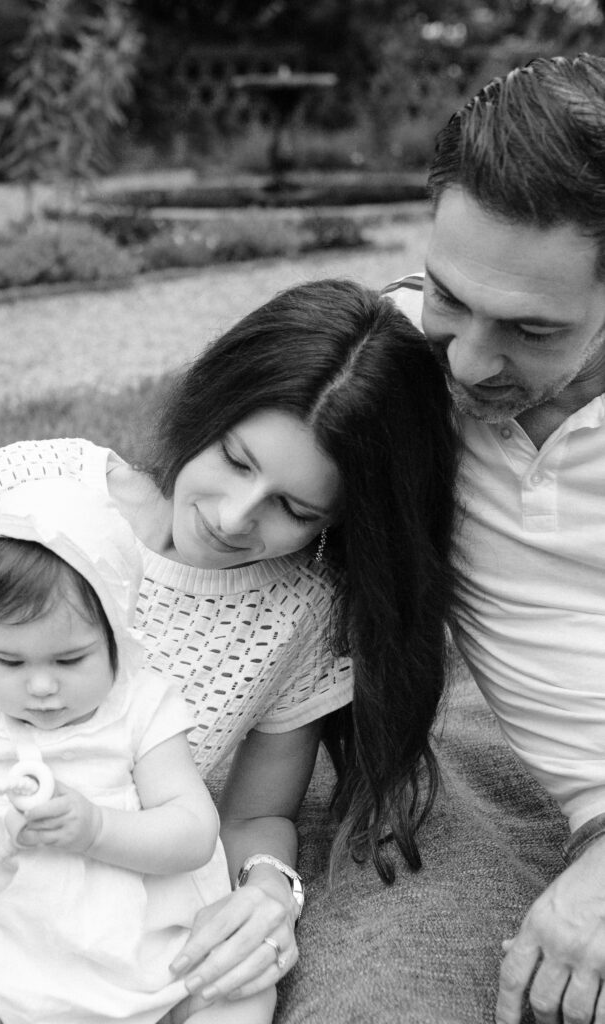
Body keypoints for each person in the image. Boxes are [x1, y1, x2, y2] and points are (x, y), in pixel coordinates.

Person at [0, 276, 460, 1020]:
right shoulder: (39, 489)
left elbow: (251, 819)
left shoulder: (299, 615)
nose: (234, 517)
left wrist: (270, 890)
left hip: (29, 907)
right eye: (236, 461)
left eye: (293, 509)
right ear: (212, 403)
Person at [375, 52, 605, 1024]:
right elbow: (149, 518)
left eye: (531, 330)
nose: (469, 361)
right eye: (450, 296)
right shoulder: (385, 368)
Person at [0, 476, 270, 1024]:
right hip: (5, 952)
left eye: (69, 660)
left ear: (115, 636)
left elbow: (194, 831)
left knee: (241, 991)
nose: (39, 686)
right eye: (9, 662)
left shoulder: (141, 708)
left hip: (149, 953)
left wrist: (98, 830)